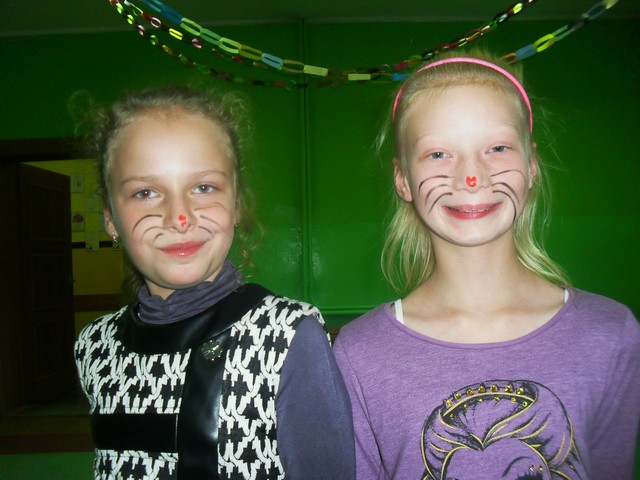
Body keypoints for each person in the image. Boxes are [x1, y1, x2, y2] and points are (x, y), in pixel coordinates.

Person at [333, 50, 640, 479]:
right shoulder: (359, 354)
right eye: (438, 154)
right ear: (403, 179)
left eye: (497, 148)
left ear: (531, 165)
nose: (471, 177)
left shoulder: (610, 334)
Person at [74, 85, 355, 479]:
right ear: (109, 218)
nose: (179, 217)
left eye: (203, 188)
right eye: (146, 192)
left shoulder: (288, 337)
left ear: (237, 203)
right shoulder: (94, 347)